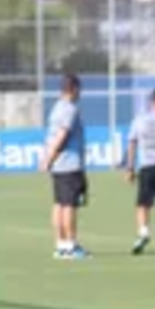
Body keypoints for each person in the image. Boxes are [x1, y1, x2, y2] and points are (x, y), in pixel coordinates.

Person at [41, 73, 89, 259]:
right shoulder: (70, 109)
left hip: (58, 165)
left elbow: (51, 136)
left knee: (59, 204)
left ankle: (60, 245)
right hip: (69, 163)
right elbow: (62, 135)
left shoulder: (56, 108)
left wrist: (48, 157)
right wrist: (50, 157)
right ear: (74, 89)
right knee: (69, 204)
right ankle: (70, 245)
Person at [124, 89, 155, 254]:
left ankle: (143, 232)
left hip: (147, 167)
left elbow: (132, 143)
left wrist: (130, 167)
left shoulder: (140, 120)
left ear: (152, 101)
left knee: (143, 204)